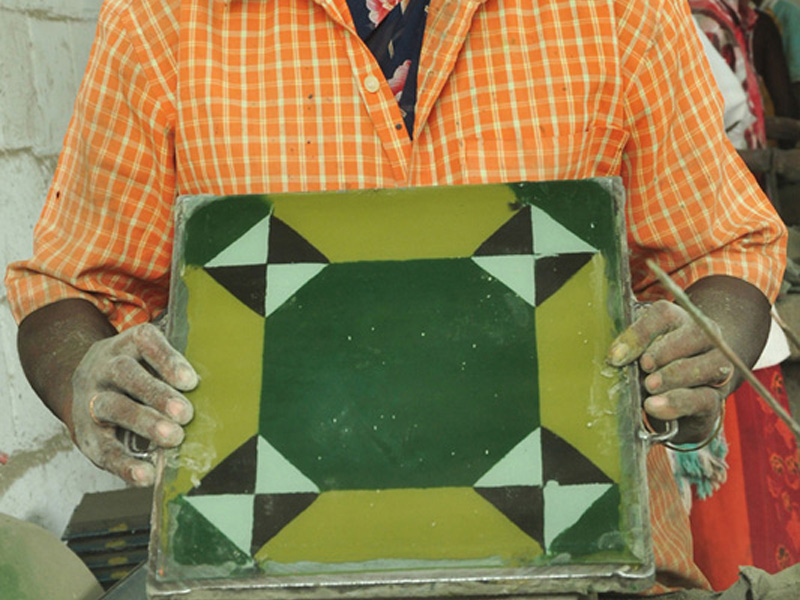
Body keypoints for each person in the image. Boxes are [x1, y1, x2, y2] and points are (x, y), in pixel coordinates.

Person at [3, 0, 787, 595]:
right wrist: (85, 374)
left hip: (582, 571)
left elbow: (725, 249)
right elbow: (70, 288)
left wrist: (703, 341)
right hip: (260, 577)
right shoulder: (165, 20)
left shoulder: (615, 11)